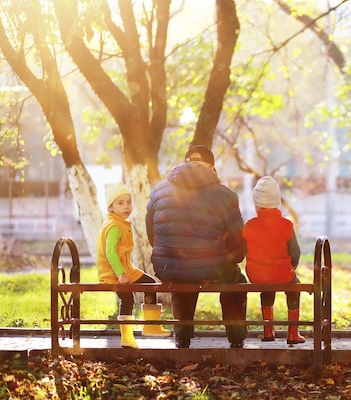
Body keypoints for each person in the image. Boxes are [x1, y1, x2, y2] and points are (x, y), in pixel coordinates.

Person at [145, 145, 248, 349]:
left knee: (181, 273)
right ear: (212, 168)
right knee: (236, 281)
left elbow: (151, 232)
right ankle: (236, 338)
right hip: (211, 269)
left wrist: (170, 255)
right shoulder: (225, 194)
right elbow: (238, 240)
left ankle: (182, 337)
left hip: (169, 269)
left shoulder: (159, 189)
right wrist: (230, 258)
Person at [96, 182, 171, 349]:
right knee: (127, 298)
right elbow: (110, 253)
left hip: (127, 270)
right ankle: (127, 337)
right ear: (110, 207)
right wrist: (120, 274)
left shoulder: (120, 223)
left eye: (129, 202)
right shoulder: (114, 226)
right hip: (115, 273)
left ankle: (151, 325)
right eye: (120, 203)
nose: (126, 206)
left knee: (150, 284)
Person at [243, 176, 305, 344]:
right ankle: (293, 333)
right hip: (281, 273)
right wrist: (291, 267)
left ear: (256, 204)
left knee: (266, 287)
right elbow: (295, 253)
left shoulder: (249, 225)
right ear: (277, 203)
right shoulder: (286, 225)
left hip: (257, 276)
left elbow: (243, 251)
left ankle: (268, 330)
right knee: (294, 288)